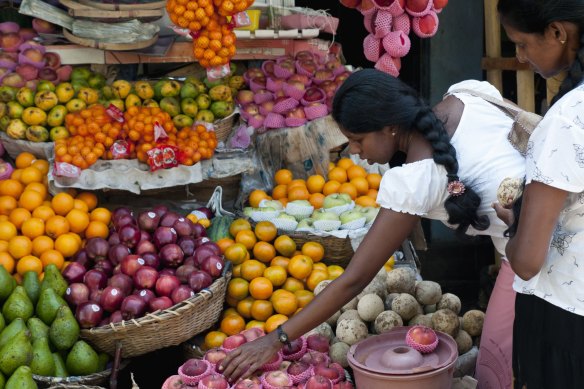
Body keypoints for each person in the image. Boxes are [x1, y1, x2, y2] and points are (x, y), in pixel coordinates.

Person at [219, 68, 524, 388]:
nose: (353, 150)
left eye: (357, 139)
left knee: (506, 366)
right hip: (523, 247)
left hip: (551, 249)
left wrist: (275, 340)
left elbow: (355, 279)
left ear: (390, 128)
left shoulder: (414, 180)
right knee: (497, 358)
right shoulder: (465, 93)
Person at [493, 1, 584, 388]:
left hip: (565, 321)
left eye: (522, 44)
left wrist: (514, 227)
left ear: (558, 32)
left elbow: (528, 262)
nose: (520, 56)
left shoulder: (568, 119)